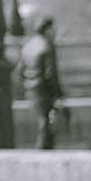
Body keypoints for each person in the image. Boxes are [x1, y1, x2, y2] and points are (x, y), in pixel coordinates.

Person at [19, 16, 64, 150]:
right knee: (45, 124)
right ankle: (42, 153)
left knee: (41, 121)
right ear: (47, 29)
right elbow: (51, 73)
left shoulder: (28, 46)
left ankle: (42, 151)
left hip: (31, 90)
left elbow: (20, 71)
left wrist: (27, 83)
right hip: (44, 90)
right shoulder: (47, 46)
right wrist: (58, 94)